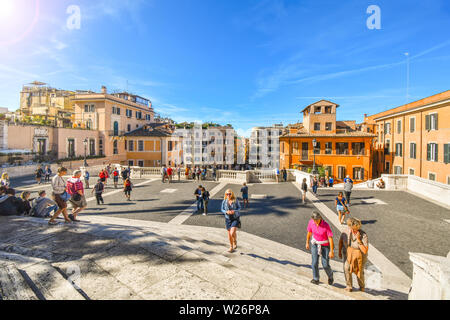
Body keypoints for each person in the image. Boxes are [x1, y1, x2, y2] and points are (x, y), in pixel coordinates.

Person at [339, 218, 369, 292]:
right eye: (354, 229)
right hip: (348, 254)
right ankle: (349, 286)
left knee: (359, 272)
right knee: (346, 268)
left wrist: (359, 240)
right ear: (350, 227)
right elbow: (340, 242)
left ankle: (362, 287)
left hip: (360, 256)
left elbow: (365, 250)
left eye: (357, 228)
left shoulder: (363, 235)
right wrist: (339, 252)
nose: (356, 230)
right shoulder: (345, 232)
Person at [305, 211, 334, 285]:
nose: (316, 222)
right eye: (314, 220)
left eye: (317, 220)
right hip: (315, 244)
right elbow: (309, 233)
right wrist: (307, 242)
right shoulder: (311, 222)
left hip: (325, 245)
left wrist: (331, 251)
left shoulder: (325, 225)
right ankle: (316, 278)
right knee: (314, 262)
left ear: (320, 218)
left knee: (325, 264)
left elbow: (330, 238)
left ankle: (330, 276)